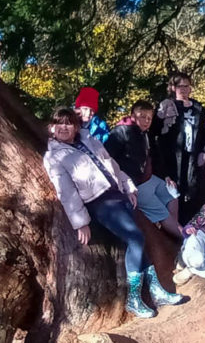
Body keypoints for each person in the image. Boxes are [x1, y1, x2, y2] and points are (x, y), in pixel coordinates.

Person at [43, 107, 185, 318]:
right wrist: (80, 221)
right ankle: (134, 299)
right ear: (51, 128)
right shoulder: (54, 157)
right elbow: (66, 191)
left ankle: (156, 292)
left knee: (138, 240)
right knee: (136, 238)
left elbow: (112, 165)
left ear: (76, 126)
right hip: (100, 203)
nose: (64, 127)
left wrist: (128, 185)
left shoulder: (89, 140)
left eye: (69, 123)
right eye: (59, 123)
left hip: (118, 196)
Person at [106, 99, 181, 239]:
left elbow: (155, 156)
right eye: (142, 116)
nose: (146, 121)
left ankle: (170, 232)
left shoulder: (145, 134)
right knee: (162, 213)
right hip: (134, 184)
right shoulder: (120, 132)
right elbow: (108, 159)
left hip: (148, 178)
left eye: (149, 118)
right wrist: (123, 185)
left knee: (172, 194)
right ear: (133, 116)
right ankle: (184, 240)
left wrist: (166, 176)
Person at [155, 71, 205, 217]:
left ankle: (188, 223)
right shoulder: (167, 106)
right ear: (173, 87)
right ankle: (173, 224)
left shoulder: (198, 107)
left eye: (187, 86)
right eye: (180, 86)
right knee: (173, 189)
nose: (184, 89)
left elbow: (204, 131)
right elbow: (156, 130)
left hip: (192, 155)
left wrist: (204, 151)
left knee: (191, 189)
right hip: (172, 156)